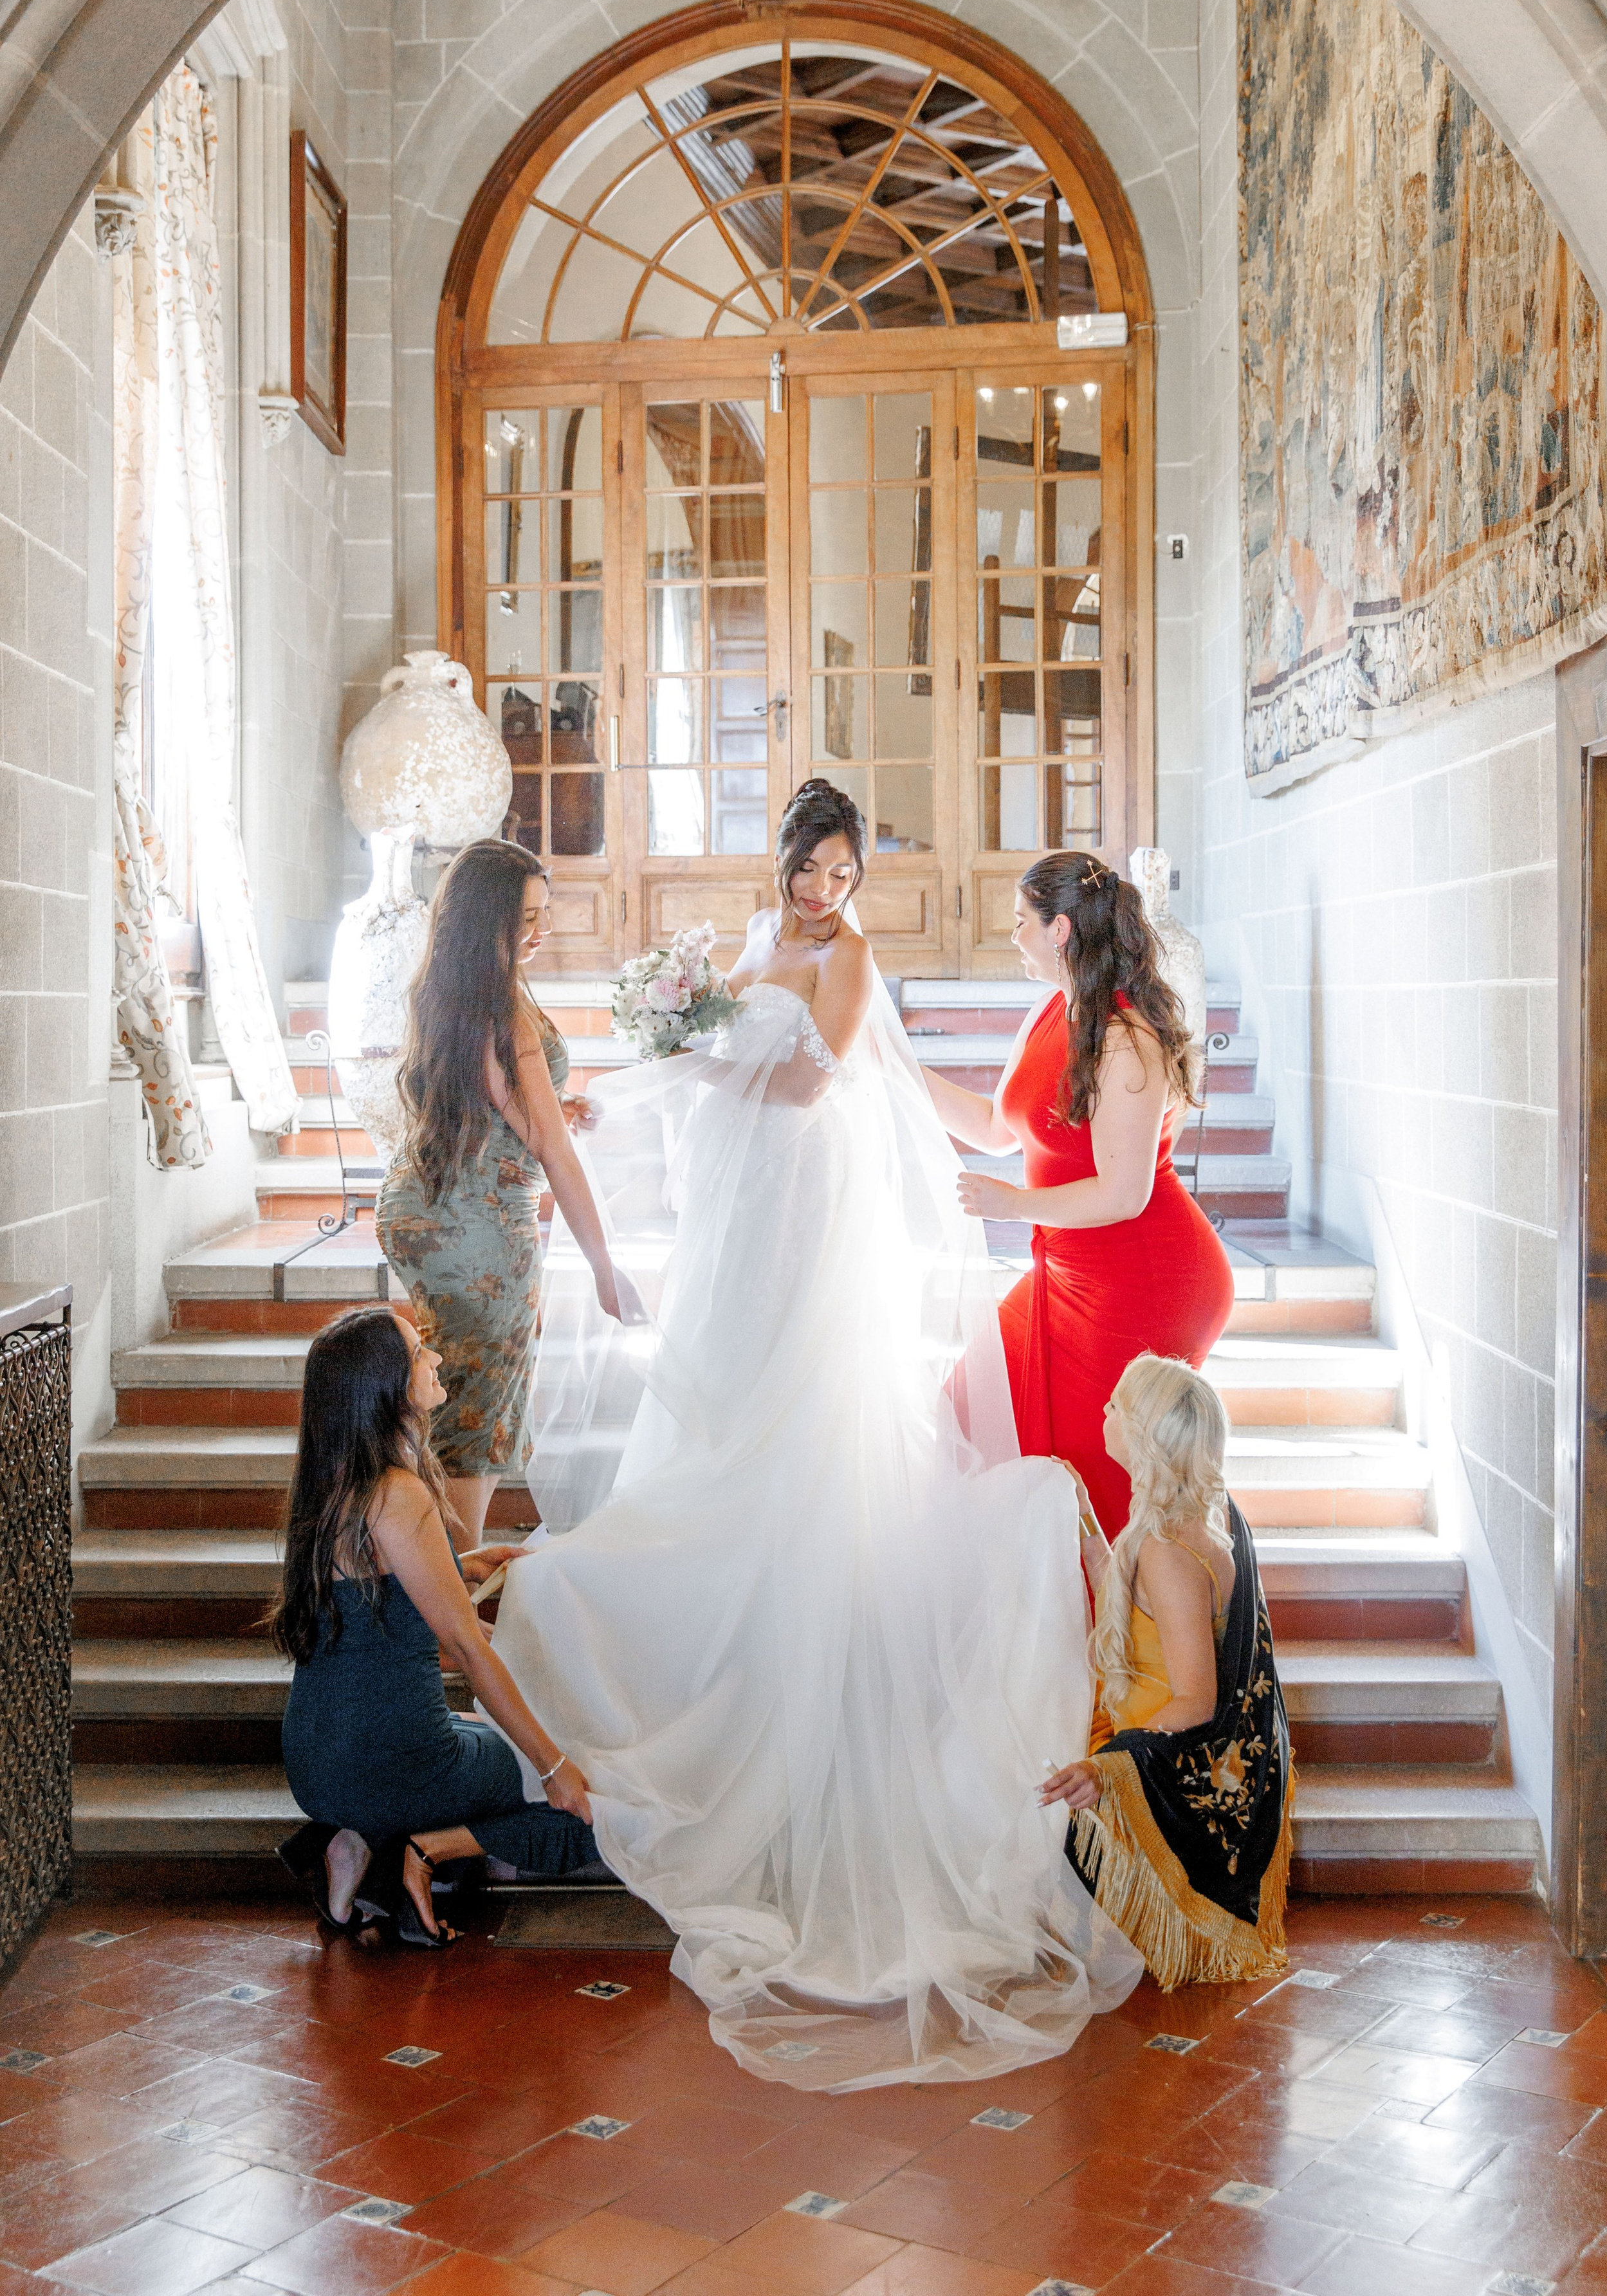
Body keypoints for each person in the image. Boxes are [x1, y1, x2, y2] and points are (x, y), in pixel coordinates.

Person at [489, 778, 1144, 2089]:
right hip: (736, 1191)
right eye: (813, 869)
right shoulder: (750, 932)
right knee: (713, 1387)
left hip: (799, 1190)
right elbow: (737, 1055)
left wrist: (689, 1057)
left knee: (794, 1410)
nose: (825, 891)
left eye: (845, 872)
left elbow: (805, 1082)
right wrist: (677, 1050)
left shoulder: (850, 961)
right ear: (787, 860)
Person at [921, 853, 1235, 1538]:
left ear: (1059, 929)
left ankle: (1123, 1636)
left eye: (1020, 923)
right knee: (964, 1418)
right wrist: (898, 1069)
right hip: (1065, 1274)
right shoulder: (1051, 1012)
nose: (1012, 936)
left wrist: (1013, 1206)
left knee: (1097, 1480)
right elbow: (994, 1128)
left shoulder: (1127, 1037)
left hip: (1143, 1278)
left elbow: (1124, 1194)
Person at [274, 1305, 604, 1945]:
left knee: (485, 1729)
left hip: (313, 1758)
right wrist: (554, 1765)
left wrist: (467, 1565)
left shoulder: (332, 1484)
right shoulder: (397, 1493)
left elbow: (389, 1597)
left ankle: (350, 1844)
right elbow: (463, 1648)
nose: (437, 1359)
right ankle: (425, 1850)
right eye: (419, 1351)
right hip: (389, 1760)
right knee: (596, 1780)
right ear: (386, 1385)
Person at [376, 838, 632, 1552]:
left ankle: (427, 1584)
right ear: (484, 916)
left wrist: (556, 1104)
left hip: (428, 1204)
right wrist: (605, 1268)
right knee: (476, 1412)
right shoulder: (501, 1006)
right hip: (475, 1228)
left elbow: (496, 1102)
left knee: (447, 1395)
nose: (539, 931)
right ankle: (450, 1602)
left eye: (544, 914)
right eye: (525, 917)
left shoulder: (455, 987)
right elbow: (549, 1149)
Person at [1041, 1354, 1292, 1989]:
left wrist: (1106, 1770)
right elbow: (1128, 1601)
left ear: (1143, 1435)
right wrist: (1085, 1526)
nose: (1104, 1414)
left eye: (1116, 1407)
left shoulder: (1170, 1554)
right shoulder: (1175, 1524)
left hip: (1165, 1775)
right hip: (1139, 1734)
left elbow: (1195, 1701)